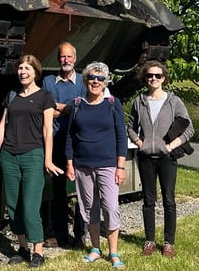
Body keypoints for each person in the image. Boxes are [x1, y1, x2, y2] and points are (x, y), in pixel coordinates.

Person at [0, 54, 63, 268]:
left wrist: (47, 159)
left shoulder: (45, 97)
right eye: (20, 68)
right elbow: (3, 125)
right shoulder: (11, 95)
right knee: (13, 206)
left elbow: (48, 130)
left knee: (30, 206)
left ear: (36, 72)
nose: (23, 72)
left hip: (32, 155)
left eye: (27, 68)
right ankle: (22, 248)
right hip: (9, 156)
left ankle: (37, 250)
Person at [126, 60, 194, 259]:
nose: (153, 79)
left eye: (157, 75)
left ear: (164, 78)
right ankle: (149, 241)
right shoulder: (139, 101)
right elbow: (130, 126)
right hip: (146, 157)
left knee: (169, 200)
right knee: (148, 200)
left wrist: (171, 146)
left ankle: (168, 243)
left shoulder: (174, 101)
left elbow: (189, 128)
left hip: (167, 158)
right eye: (149, 76)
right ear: (144, 78)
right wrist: (139, 142)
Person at [65, 62, 127, 268]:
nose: (95, 81)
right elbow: (70, 137)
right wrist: (69, 163)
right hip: (82, 165)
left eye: (100, 78)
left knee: (110, 207)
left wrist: (121, 165)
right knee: (89, 208)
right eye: (92, 77)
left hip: (108, 165)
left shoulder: (112, 103)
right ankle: (95, 248)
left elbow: (121, 135)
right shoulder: (76, 104)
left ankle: (114, 252)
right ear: (85, 81)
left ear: (105, 82)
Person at [41, 42, 87, 249]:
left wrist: (59, 109)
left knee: (82, 191)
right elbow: (45, 108)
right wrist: (69, 108)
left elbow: (84, 109)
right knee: (58, 191)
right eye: (62, 57)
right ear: (58, 59)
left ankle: (80, 234)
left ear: (75, 59)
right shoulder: (48, 82)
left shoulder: (84, 83)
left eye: (69, 57)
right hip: (55, 142)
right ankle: (60, 234)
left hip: (79, 141)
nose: (66, 60)